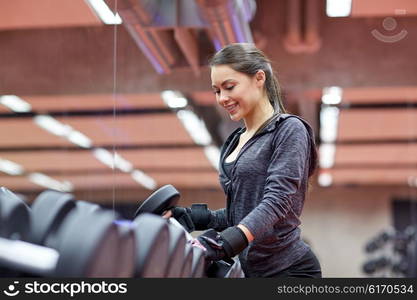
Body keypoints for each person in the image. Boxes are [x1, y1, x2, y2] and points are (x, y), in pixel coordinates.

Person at [165, 43, 321, 278]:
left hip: (290, 271)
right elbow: (239, 213)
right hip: (251, 271)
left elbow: (277, 202)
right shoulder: (234, 141)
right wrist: (189, 216)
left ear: (259, 78)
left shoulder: (289, 130)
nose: (222, 98)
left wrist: (222, 244)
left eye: (229, 87)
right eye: (217, 90)